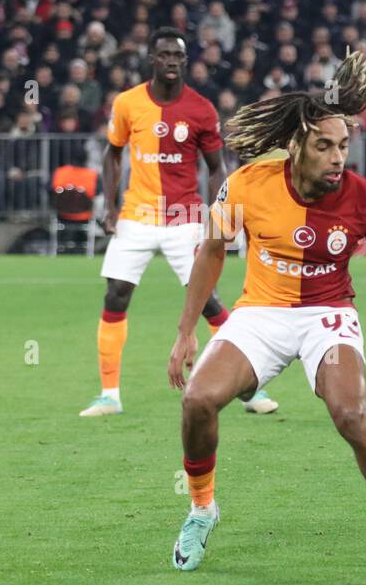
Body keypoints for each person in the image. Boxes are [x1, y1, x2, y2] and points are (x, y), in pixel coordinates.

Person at [166, 51, 366, 580]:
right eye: (324, 145)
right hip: (261, 312)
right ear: (296, 143)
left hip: (329, 313)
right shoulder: (248, 183)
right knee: (198, 400)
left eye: (343, 145)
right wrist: (186, 332)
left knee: (351, 415)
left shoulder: (364, 199)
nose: (337, 157)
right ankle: (202, 508)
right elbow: (211, 250)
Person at [84, 27, 277, 417]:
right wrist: (109, 205)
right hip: (136, 215)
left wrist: (220, 215)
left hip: (183, 217)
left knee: (208, 300)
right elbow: (112, 153)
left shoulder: (202, 109)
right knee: (115, 295)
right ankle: (109, 395)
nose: (171, 60)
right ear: (152, 59)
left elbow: (215, 168)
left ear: (185, 62)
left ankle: (247, 389)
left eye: (178, 55)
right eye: (164, 54)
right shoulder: (127, 103)